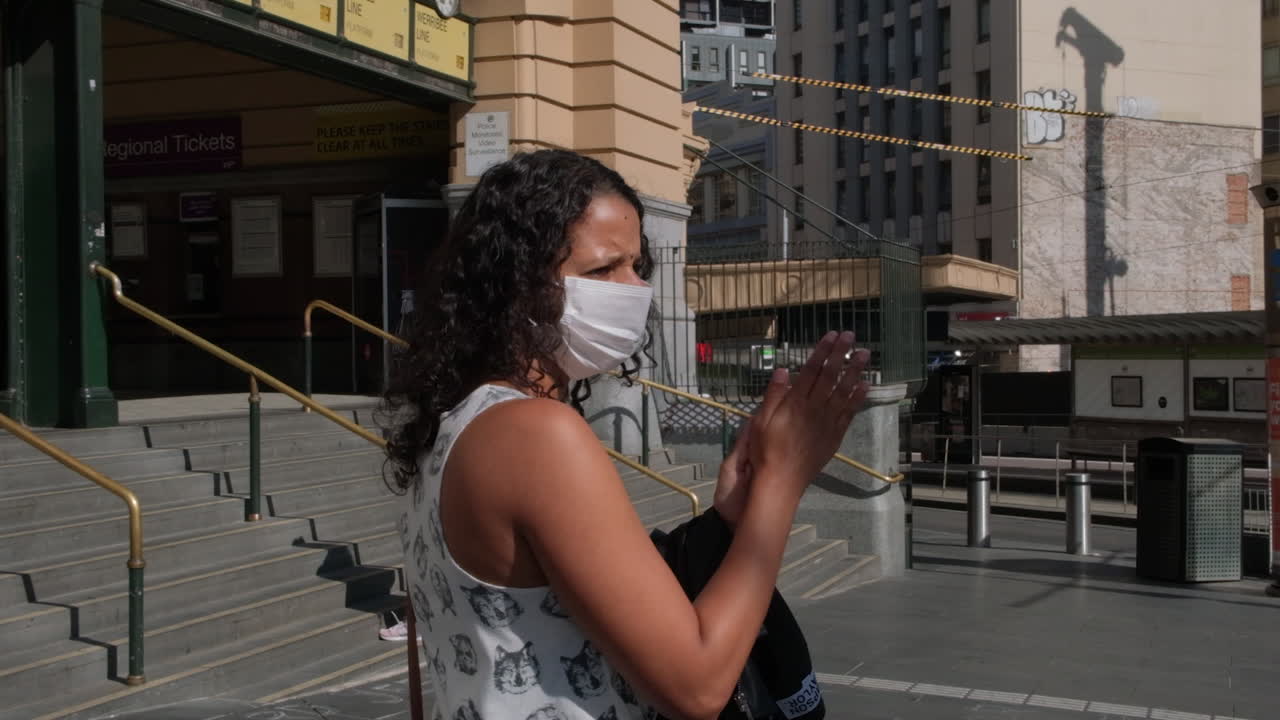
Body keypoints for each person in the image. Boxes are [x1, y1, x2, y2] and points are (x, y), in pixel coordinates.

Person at [383, 149, 869, 720]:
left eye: (637, 266)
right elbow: (698, 685)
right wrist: (783, 484)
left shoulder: (459, 423)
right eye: (601, 270)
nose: (632, 288)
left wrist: (731, 519)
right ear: (514, 283)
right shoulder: (534, 434)